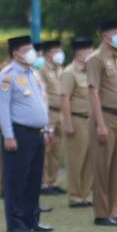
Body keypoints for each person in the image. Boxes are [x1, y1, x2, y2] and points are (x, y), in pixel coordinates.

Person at [0, 36, 54, 232]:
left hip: (37, 134)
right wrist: (9, 136)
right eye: (27, 49)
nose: (33, 53)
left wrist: (47, 128)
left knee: (34, 179)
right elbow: (3, 108)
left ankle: (32, 219)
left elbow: (42, 103)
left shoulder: (34, 74)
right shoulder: (7, 76)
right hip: (18, 133)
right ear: (16, 54)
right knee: (17, 179)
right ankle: (16, 222)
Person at [86, 18, 117, 227]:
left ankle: (113, 210)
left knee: (116, 168)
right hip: (104, 117)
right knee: (102, 167)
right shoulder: (96, 59)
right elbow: (93, 91)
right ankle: (102, 213)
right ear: (106, 36)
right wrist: (100, 123)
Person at [58, 37, 96, 209]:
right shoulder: (69, 72)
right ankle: (74, 196)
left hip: (90, 120)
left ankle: (84, 194)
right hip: (76, 118)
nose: (92, 54)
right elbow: (64, 98)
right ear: (81, 54)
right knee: (76, 159)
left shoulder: (91, 72)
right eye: (89, 51)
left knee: (89, 159)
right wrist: (67, 123)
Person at [40, 39, 66, 195]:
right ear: (48, 53)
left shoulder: (61, 69)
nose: (59, 54)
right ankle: (42, 183)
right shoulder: (42, 69)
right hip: (48, 114)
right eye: (56, 51)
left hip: (60, 113)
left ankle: (52, 182)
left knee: (57, 150)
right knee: (45, 149)